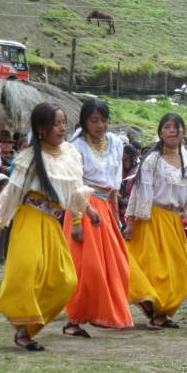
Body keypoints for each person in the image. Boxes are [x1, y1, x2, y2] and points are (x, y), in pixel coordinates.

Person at [0, 102, 96, 351]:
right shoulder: (29, 157)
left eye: (63, 123)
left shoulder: (70, 153)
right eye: (55, 124)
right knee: (26, 271)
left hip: (51, 222)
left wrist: (87, 211)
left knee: (65, 280)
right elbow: (12, 192)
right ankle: (23, 330)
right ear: (40, 128)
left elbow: (76, 190)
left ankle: (27, 325)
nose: (61, 128)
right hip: (29, 217)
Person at [63, 98, 134, 337]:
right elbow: (73, 184)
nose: (100, 125)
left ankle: (101, 313)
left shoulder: (115, 142)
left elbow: (114, 181)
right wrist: (76, 219)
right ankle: (74, 319)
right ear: (84, 122)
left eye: (104, 120)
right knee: (87, 267)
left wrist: (114, 211)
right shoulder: (76, 146)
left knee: (119, 266)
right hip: (83, 207)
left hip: (104, 207)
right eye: (94, 121)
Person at [124, 113, 187, 329]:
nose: (172, 130)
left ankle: (159, 309)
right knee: (155, 269)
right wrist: (131, 221)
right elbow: (139, 192)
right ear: (160, 132)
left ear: (183, 132)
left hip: (175, 220)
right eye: (167, 127)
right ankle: (157, 313)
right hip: (151, 218)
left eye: (177, 127)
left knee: (184, 269)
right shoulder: (152, 160)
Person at [119, 143, 139, 223]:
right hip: (118, 202)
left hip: (131, 203)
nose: (120, 154)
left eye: (123, 152)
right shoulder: (118, 167)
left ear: (129, 155)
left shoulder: (137, 169)